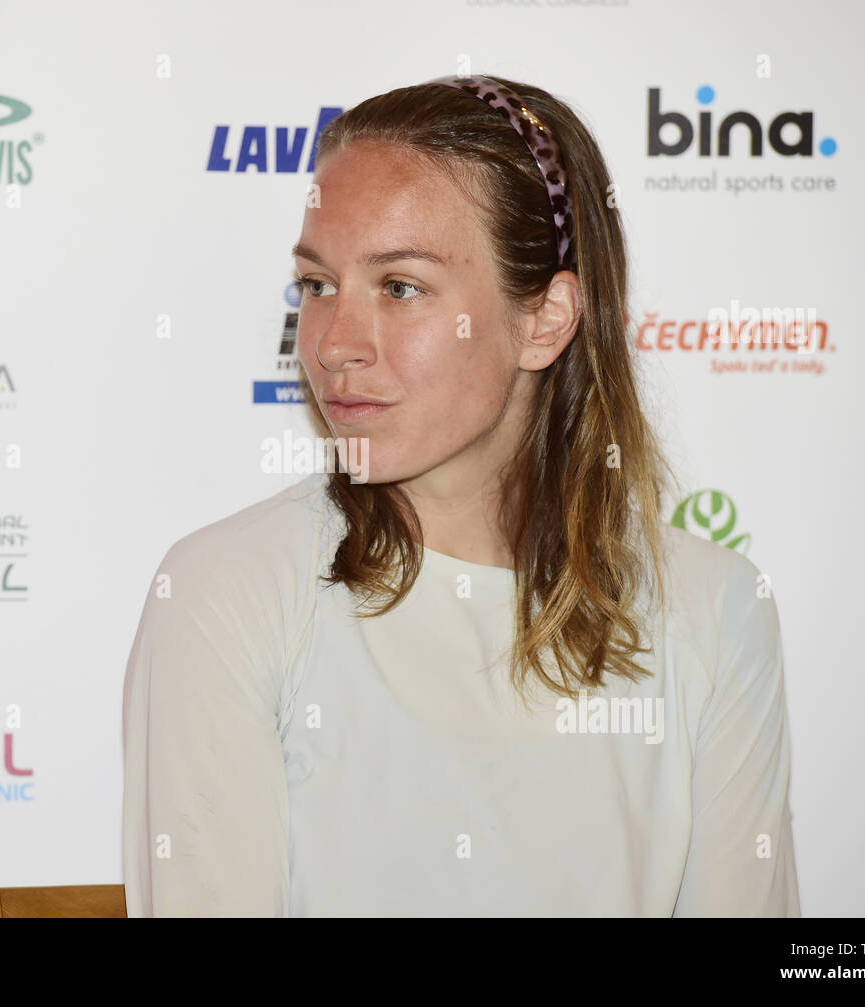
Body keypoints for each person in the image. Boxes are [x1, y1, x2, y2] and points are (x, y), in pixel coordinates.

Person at [121, 74, 800, 916]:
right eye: (317, 284)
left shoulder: (717, 610)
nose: (334, 343)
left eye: (399, 287)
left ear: (546, 319)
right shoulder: (228, 591)